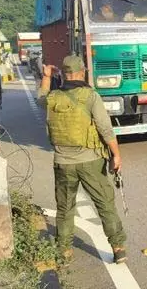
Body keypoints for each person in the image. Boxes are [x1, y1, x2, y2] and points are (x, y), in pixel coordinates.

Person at [37, 55, 128, 263]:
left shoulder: (53, 97)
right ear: (82, 72)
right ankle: (118, 247)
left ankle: (64, 250)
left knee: (65, 207)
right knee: (104, 203)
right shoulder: (90, 96)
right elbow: (105, 128)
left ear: (64, 74)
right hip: (91, 161)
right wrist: (116, 154)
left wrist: (46, 76)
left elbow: (40, 98)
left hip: (63, 162)